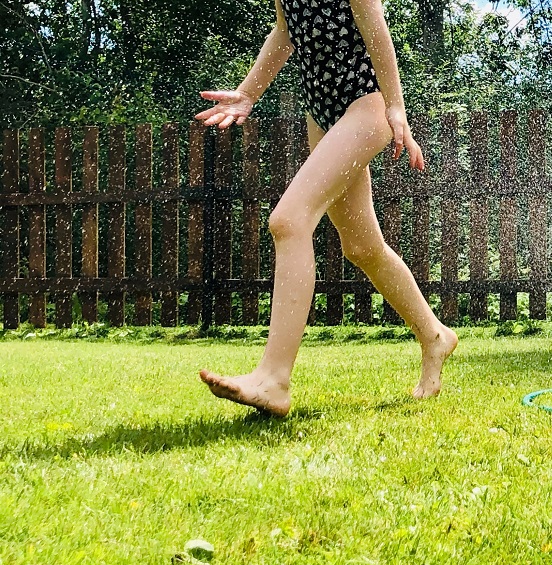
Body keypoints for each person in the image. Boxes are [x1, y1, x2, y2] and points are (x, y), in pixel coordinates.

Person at [194, 0, 458, 417]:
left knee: (288, 220)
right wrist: (247, 94)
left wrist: (395, 107)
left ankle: (273, 379)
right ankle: (435, 335)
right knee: (363, 247)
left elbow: (376, 28)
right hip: (324, 114)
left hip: (366, 105)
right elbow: (285, 32)